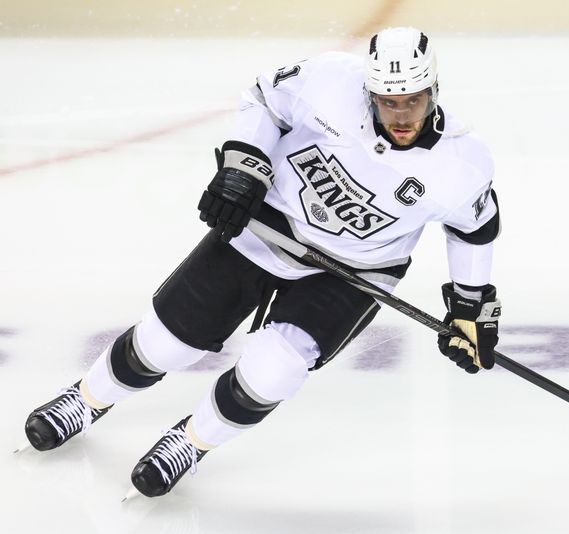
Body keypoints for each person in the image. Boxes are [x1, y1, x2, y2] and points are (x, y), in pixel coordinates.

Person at [22, 26, 502, 498]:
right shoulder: (329, 81)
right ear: (368, 90)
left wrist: (469, 305)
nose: (401, 115)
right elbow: (265, 99)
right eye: (388, 100)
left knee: (272, 372)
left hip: (355, 271)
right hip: (267, 228)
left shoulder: (462, 162)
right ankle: (85, 401)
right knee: (163, 345)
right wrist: (245, 165)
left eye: (413, 100)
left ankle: (191, 442)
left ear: (433, 89)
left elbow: (474, 227)